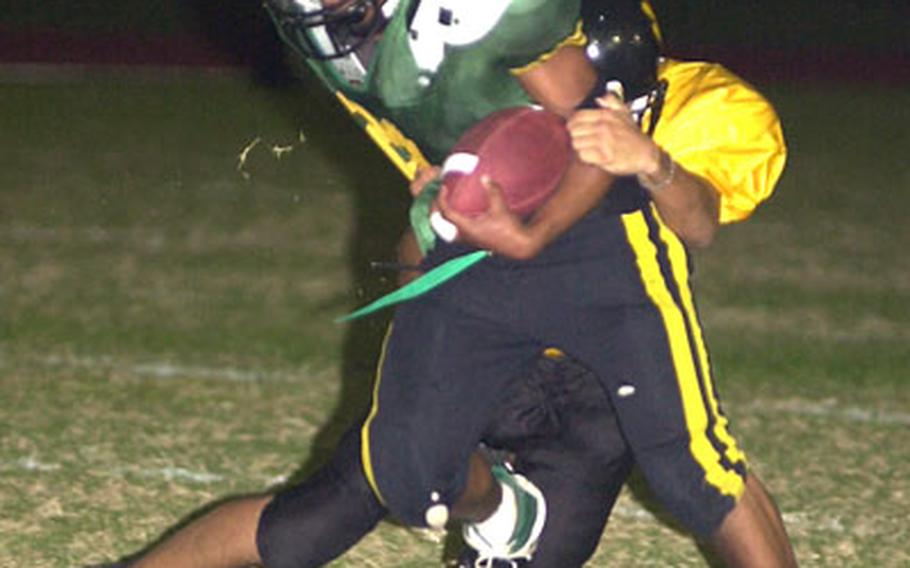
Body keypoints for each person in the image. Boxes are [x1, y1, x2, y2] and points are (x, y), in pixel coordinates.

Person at [89, 1, 796, 567]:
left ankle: (510, 519)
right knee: (379, 481)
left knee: (691, 472)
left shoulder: (678, 113)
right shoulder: (449, 84)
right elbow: (418, 255)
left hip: (591, 393)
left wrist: (646, 162)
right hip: (492, 344)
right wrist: (435, 220)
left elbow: (694, 224)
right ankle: (496, 509)